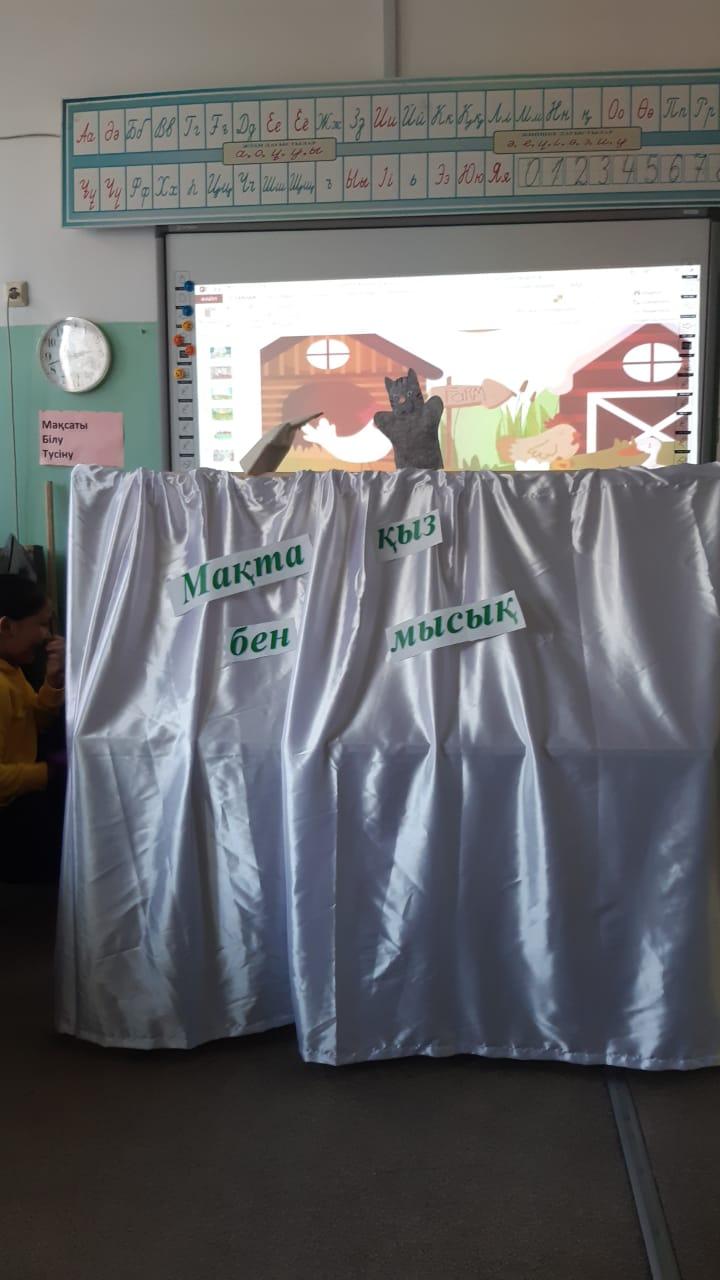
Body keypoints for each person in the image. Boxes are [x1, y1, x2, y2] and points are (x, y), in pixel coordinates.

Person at [0, 575, 66, 883]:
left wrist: (53, 681)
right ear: (6, 626)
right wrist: (49, 772)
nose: (47, 636)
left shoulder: (11, 671)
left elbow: (34, 723)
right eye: (41, 624)